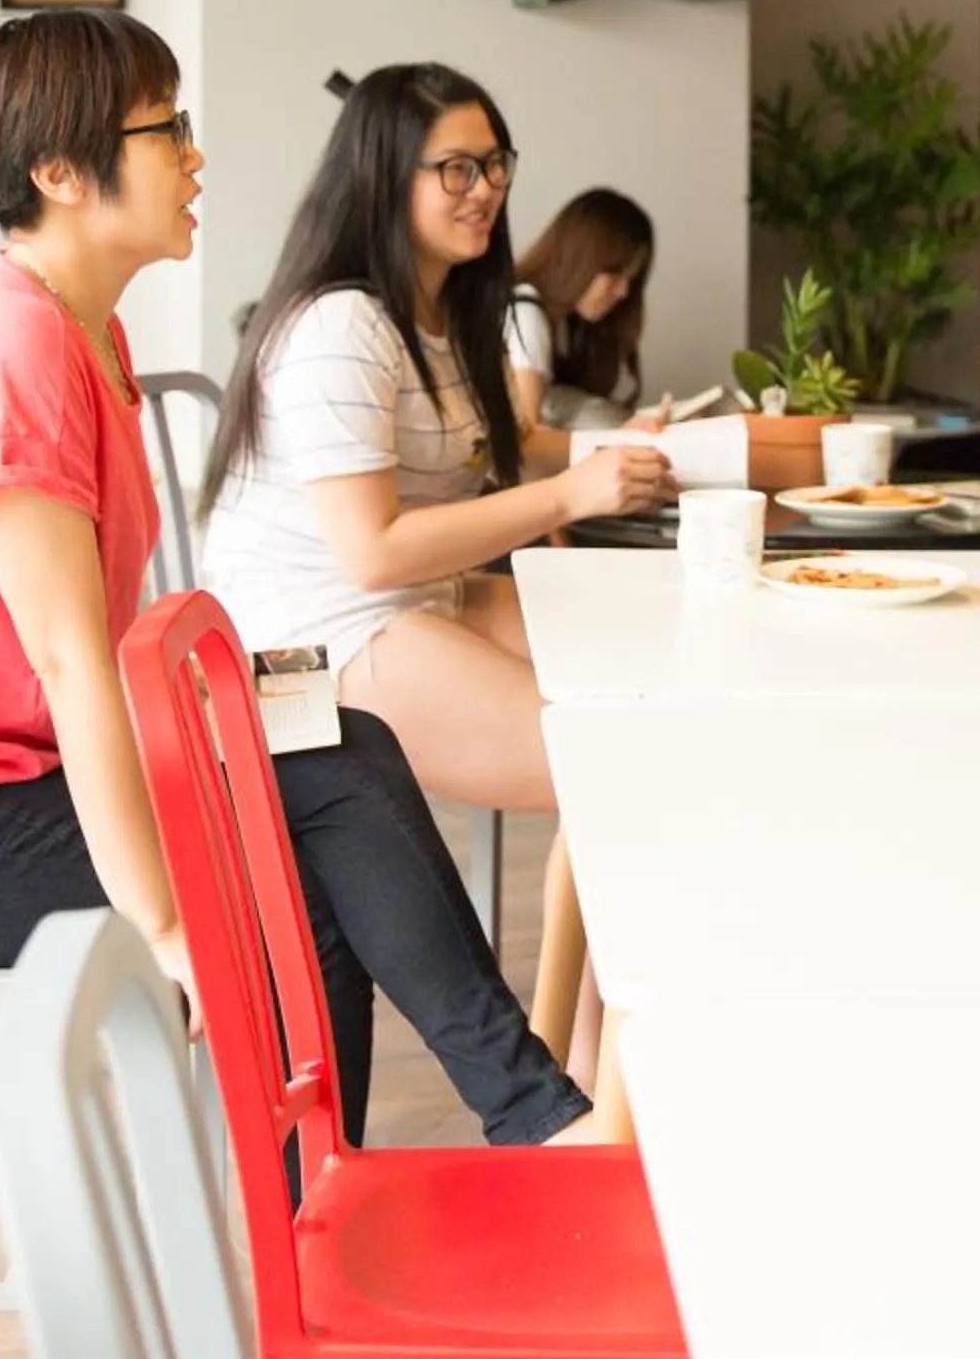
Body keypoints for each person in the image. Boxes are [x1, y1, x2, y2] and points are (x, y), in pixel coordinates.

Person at [0, 10, 590, 1146]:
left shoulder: (76, 330)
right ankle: (518, 1122)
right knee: (318, 808)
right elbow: (68, 661)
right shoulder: (18, 354)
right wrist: (162, 918)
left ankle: (392, 1167)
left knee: (343, 752)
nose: (194, 156)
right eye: (168, 128)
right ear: (60, 171)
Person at [199, 65, 668, 816]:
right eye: (456, 169)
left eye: (492, 164)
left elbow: (492, 453)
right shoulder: (340, 325)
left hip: (421, 597)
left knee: (656, 679)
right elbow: (373, 552)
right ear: (385, 179)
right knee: (619, 758)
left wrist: (618, 459)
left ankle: (576, 940)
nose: (484, 187)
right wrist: (571, 493)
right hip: (309, 647)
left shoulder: (447, 316)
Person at [507, 187, 663, 463]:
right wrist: (616, 439)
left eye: (631, 279)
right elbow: (526, 443)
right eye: (614, 274)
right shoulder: (526, 313)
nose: (623, 291)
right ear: (578, 260)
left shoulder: (570, 326)